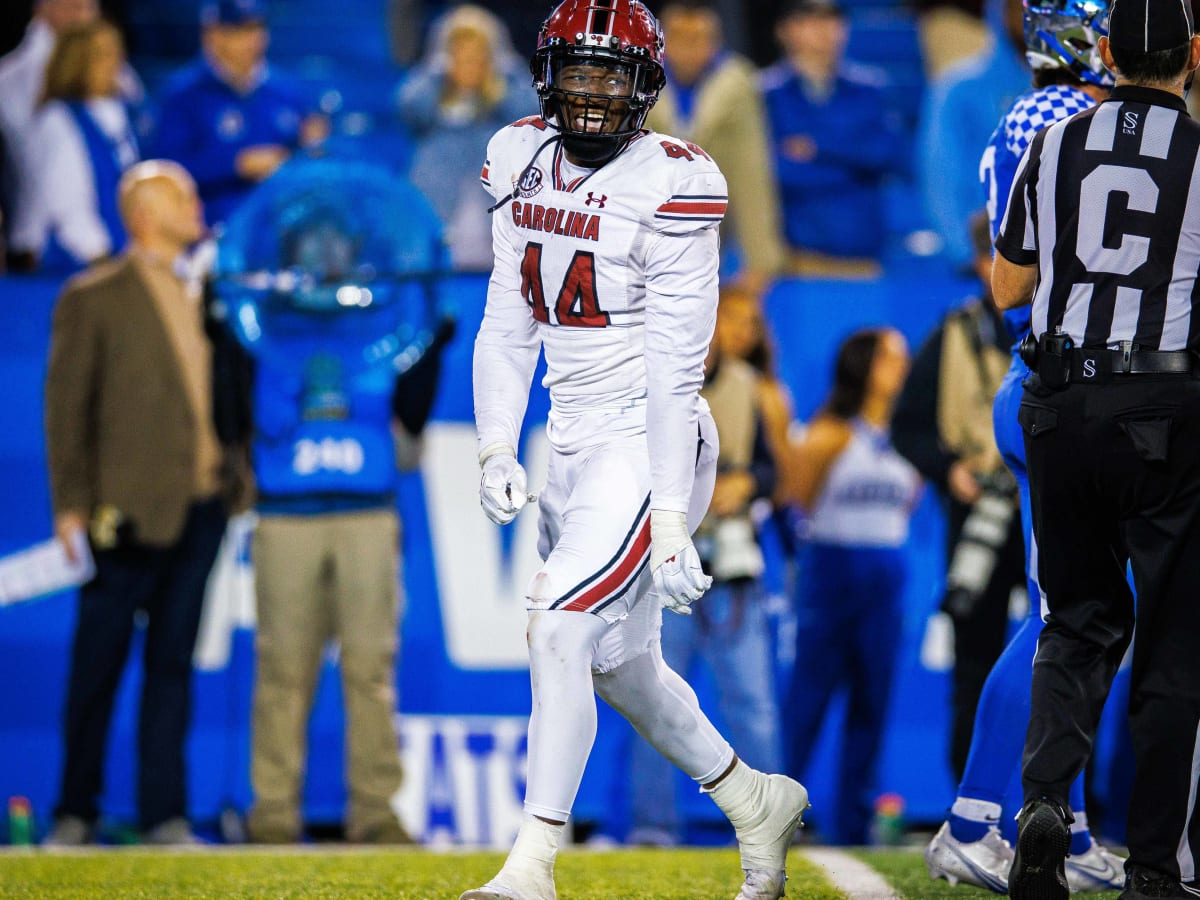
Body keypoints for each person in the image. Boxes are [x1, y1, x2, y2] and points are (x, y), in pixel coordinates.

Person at [466, 2, 810, 898]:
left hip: (648, 439)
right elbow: (508, 318)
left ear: (646, 87)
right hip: (571, 441)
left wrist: (666, 518)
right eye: (577, 70)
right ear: (547, 75)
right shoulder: (518, 157)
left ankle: (532, 866)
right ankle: (751, 797)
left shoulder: (675, 184)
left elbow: (672, 369)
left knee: (557, 626)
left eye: (613, 73)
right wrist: (497, 443)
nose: (590, 91)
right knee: (619, 665)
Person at [992, 1, 1200, 896]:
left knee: (1074, 619)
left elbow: (1007, 280)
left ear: (1105, 51)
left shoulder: (1055, 142)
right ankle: (1154, 864)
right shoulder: (1199, 153)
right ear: (1193, 53)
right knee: (1171, 642)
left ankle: (1044, 803)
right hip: (1166, 403)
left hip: (1060, 402)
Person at [924, 1, 1124, 892]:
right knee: (1064, 619)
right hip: (1057, 377)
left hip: (1051, 377)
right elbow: (1025, 280)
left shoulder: (1043, 114)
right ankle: (973, 820)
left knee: (1075, 614)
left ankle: (1065, 825)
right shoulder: (1064, 117)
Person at [234, 179, 454, 845]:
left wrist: (432, 348)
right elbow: (238, 413)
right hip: (287, 515)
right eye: (313, 241)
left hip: (364, 513)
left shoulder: (385, 321)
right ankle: (272, 815)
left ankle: (376, 813)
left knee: (370, 668)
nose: (326, 254)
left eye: (338, 241)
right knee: (283, 671)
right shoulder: (259, 321)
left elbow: (409, 420)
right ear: (291, 246)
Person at [42, 160, 242, 846]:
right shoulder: (94, 295)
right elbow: (66, 410)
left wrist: (234, 481)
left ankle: (164, 815)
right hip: (121, 509)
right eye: (180, 195)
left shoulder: (207, 293)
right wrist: (71, 502)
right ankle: (76, 810)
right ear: (145, 214)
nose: (195, 203)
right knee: (95, 666)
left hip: (201, 507)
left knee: (172, 667)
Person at [626, 293, 784, 847]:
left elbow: (768, 469)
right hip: (664, 565)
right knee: (655, 699)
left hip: (732, 561)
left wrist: (748, 483)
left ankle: (768, 821)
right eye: (733, 318)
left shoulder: (747, 386)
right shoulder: (651, 378)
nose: (742, 330)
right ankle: (652, 825)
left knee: (754, 702)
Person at [891, 209, 1027, 786]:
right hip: (979, 515)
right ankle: (969, 803)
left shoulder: (1058, 325)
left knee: (1068, 655)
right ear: (979, 263)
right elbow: (908, 425)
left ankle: (1072, 808)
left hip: (1048, 510)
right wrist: (949, 470)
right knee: (975, 659)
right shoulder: (951, 333)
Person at [783, 327, 921, 846]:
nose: (901, 369)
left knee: (872, 702)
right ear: (863, 365)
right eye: (891, 358)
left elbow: (907, 506)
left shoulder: (908, 437)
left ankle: (853, 825)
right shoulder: (829, 434)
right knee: (807, 701)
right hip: (833, 570)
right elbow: (798, 503)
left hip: (886, 574)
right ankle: (777, 816)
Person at [647, 0, 787, 293]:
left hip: (709, 235)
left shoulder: (737, 86)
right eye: (680, 38)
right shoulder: (638, 80)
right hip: (641, 230)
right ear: (662, 41)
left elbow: (751, 175)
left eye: (698, 39)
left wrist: (761, 260)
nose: (689, 49)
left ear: (715, 42)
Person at [150, 0, 329, 229]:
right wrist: (236, 165)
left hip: (279, 229)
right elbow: (167, 171)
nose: (252, 40)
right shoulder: (183, 96)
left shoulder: (286, 91)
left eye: (257, 28)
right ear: (213, 35)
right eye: (240, 30)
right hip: (214, 233)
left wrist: (311, 147)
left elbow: (308, 164)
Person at [761, 0, 908, 276]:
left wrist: (818, 148)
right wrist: (855, 169)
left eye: (832, 17)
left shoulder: (872, 90)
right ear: (784, 29)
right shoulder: (765, 95)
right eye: (809, 17)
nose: (823, 28)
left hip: (865, 260)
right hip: (796, 262)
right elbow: (772, 171)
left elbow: (889, 154)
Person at [0, 0, 140, 269]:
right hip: (65, 262)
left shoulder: (117, 112)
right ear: (79, 61)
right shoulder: (57, 121)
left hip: (113, 253)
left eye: (116, 53)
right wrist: (104, 260)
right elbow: (66, 210)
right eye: (103, 55)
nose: (115, 64)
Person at [397, 5, 534, 272]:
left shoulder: (507, 107)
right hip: (438, 230)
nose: (469, 62)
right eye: (460, 54)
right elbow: (407, 106)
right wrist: (436, 73)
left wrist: (505, 74)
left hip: (498, 237)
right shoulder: (431, 104)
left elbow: (532, 112)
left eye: (478, 55)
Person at [917, 0, 1029, 270]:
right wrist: (968, 255)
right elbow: (940, 174)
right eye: (1018, 6)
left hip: (1059, 267)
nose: (1027, 15)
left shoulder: (1084, 92)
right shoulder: (957, 89)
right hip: (985, 263)